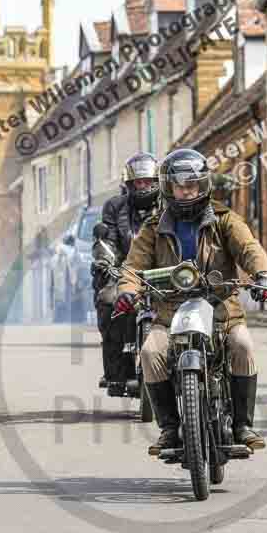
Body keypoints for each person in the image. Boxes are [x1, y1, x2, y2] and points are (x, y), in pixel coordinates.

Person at [114, 148, 267, 453]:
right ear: (168, 187)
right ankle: (170, 429)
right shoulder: (153, 228)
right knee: (150, 353)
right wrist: (127, 289)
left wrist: (264, 275)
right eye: (179, 185)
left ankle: (243, 424)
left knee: (242, 345)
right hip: (169, 311)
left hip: (221, 309)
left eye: (192, 185)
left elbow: (249, 248)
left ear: (203, 185)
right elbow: (133, 266)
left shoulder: (225, 219)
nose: (186, 191)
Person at [91, 152, 160, 391]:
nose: (143, 186)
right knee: (108, 300)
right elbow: (107, 238)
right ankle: (117, 371)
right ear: (129, 184)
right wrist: (105, 259)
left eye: (148, 182)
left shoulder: (169, 205)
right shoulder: (114, 207)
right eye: (138, 182)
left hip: (164, 271)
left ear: (157, 182)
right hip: (124, 271)